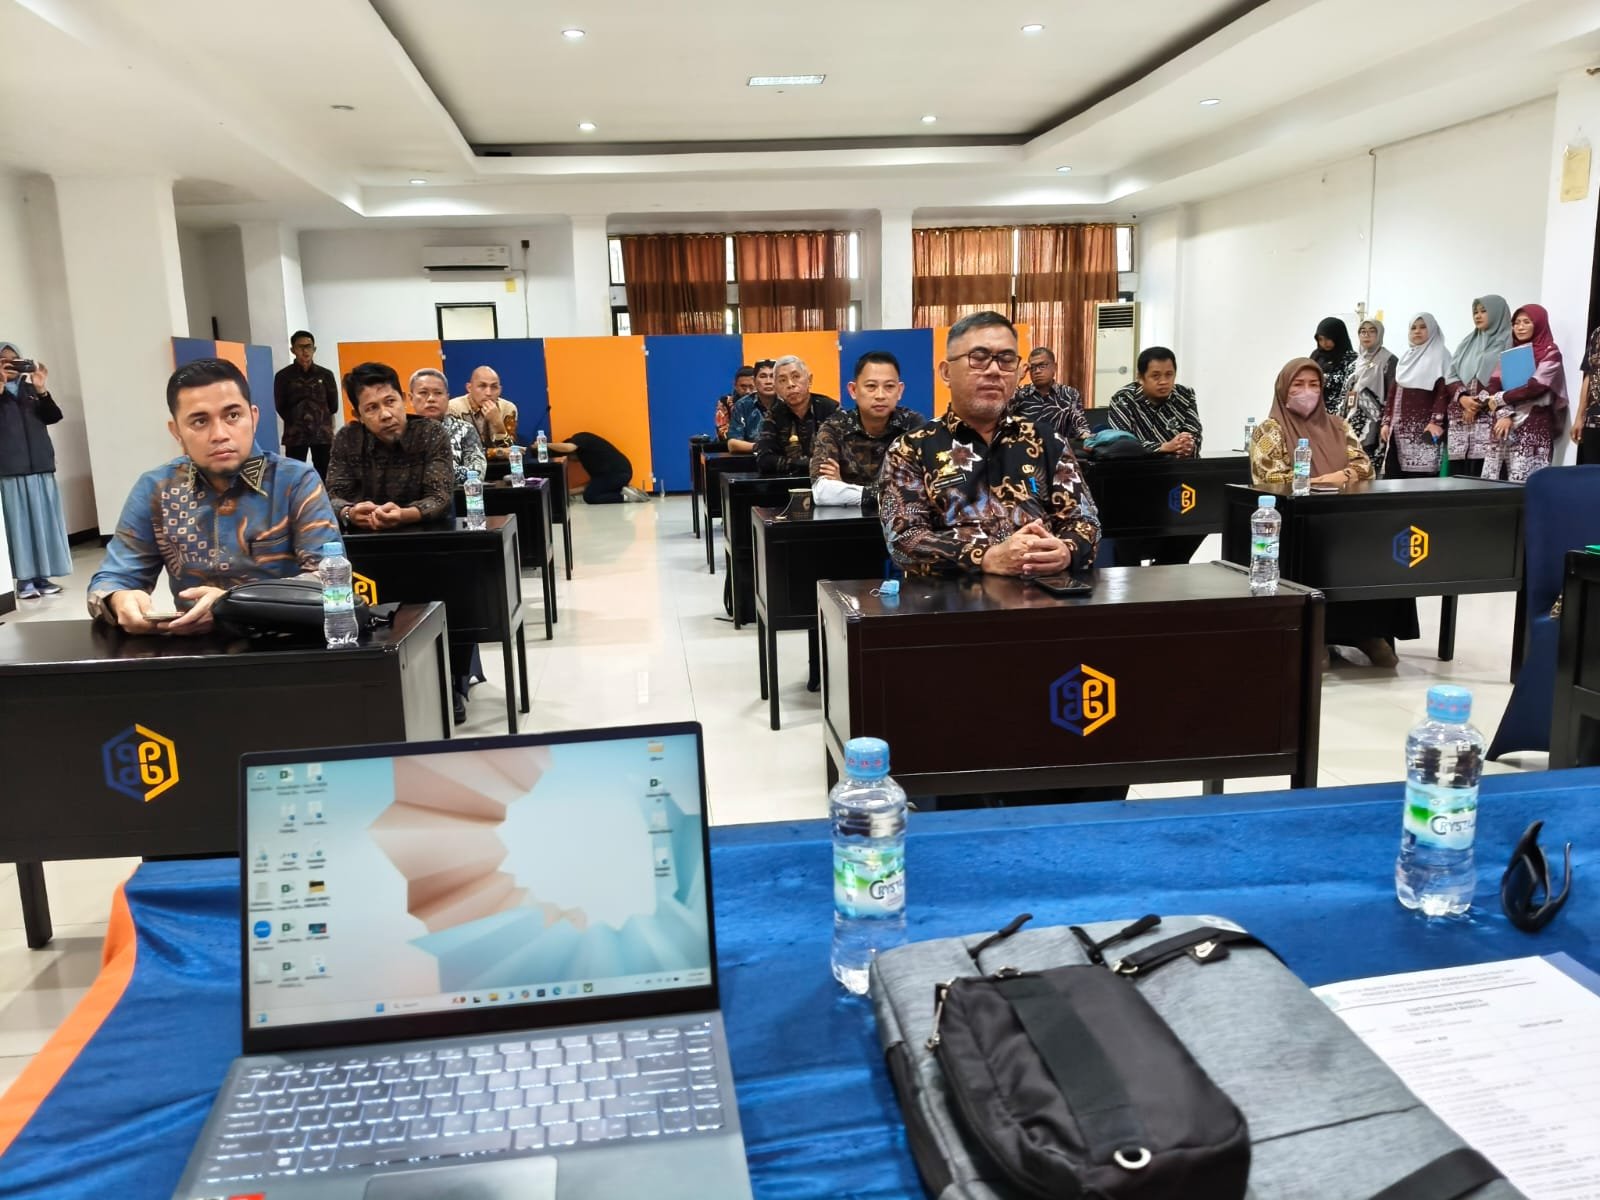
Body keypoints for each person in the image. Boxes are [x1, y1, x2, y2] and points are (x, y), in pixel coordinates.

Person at [86, 357, 338, 635]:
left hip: (283, 643)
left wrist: (235, 604)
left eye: (233, 416)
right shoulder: (157, 488)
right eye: (200, 421)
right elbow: (112, 579)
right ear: (176, 431)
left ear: (253, 417)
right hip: (194, 647)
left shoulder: (294, 481)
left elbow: (331, 581)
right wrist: (118, 598)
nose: (219, 434)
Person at [880, 311, 1100, 577]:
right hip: (948, 597)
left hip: (1041, 591)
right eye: (979, 358)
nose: (994, 370)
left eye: (1006, 360)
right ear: (946, 372)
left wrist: (1065, 550)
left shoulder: (1047, 441)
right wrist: (985, 558)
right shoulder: (910, 449)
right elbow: (904, 539)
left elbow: (1085, 521)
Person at [1250, 358, 1412, 669]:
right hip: (1297, 524)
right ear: (1283, 389)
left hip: (1344, 519)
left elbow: (1364, 466)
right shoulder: (1269, 430)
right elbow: (1268, 477)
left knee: (1382, 547)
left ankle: (1367, 632)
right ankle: (1316, 637)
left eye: (1314, 385)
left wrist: (1342, 476)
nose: (1307, 391)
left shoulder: (1339, 425)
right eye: (1298, 385)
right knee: (1316, 553)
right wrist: (1320, 482)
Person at [329, 361, 467, 718]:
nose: (385, 414)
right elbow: (333, 495)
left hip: (429, 544)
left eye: (390, 402)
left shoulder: (430, 434)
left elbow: (440, 497)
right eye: (372, 408)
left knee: (455, 599)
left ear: (403, 398)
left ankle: (451, 681)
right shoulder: (347, 439)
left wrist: (404, 514)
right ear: (358, 414)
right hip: (370, 547)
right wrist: (350, 512)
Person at [1104, 346, 1207, 565]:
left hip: (1174, 480)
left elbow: (1194, 433)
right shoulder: (1123, 399)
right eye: (1156, 376)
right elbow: (1121, 442)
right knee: (1128, 535)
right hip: (1134, 483)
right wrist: (1163, 447)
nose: (1163, 382)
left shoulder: (1185, 395)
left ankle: (1167, 566)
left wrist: (1187, 445)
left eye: (1169, 375)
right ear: (1140, 377)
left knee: (1203, 518)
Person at [0, 343, 72, 599]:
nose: (11, 364)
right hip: (10, 471)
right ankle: (24, 580)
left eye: (15, 359)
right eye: (4, 360)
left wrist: (41, 389)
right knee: (19, 528)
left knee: (44, 525)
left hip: (41, 467)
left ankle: (42, 576)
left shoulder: (31, 390)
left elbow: (53, 416)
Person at [811, 351, 924, 507]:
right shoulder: (835, 427)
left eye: (889, 386)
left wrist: (844, 488)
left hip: (905, 519)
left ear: (899, 391)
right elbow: (822, 492)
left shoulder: (913, 426)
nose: (880, 395)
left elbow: (924, 486)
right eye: (871, 386)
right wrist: (883, 495)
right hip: (851, 520)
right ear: (853, 390)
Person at [1483, 303, 1568, 484]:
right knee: (1495, 481)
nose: (1520, 327)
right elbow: (1493, 384)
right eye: (1516, 323)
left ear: (1539, 323)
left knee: (1527, 482)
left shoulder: (1550, 353)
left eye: (1526, 322)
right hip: (1503, 423)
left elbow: (1536, 386)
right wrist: (1505, 414)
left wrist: (1501, 398)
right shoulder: (1509, 354)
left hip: (1534, 422)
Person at [1447, 295, 1512, 476]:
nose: (1478, 315)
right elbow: (1450, 375)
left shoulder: (1509, 341)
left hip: (1490, 416)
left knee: (1483, 476)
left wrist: (1476, 404)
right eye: (1475, 312)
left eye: (1484, 311)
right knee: (1458, 478)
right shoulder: (1467, 343)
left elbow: (1505, 378)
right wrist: (1463, 398)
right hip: (1462, 419)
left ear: (1497, 313)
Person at [1380, 314, 1450, 478]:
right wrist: (1386, 422)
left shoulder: (1441, 356)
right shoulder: (1406, 358)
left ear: (1432, 329)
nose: (1417, 331)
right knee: (1395, 478)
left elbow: (1444, 392)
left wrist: (1436, 421)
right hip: (1398, 429)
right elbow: (1393, 393)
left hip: (1426, 428)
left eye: (1423, 327)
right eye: (1413, 328)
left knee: (1421, 480)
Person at [754, 356, 839, 476]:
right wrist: (810, 465)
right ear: (776, 388)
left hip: (828, 481)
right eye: (782, 380)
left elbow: (846, 454)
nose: (790, 384)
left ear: (809, 380)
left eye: (796, 377)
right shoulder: (773, 416)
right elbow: (764, 460)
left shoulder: (830, 409)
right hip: (788, 483)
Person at [273, 330, 339, 479]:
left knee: (325, 472)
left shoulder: (326, 375)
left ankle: (325, 495)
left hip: (322, 433)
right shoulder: (283, 376)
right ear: (293, 350)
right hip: (295, 434)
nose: (305, 351)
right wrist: (296, 420)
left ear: (314, 349)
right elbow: (280, 405)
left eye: (308, 347)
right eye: (300, 347)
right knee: (294, 474)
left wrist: (321, 420)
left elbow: (333, 405)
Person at [408, 368, 485, 485]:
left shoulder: (465, 429)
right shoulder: (401, 432)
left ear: (448, 398)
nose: (431, 399)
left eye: (438, 393)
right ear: (411, 398)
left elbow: (476, 473)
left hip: (455, 495)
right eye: (423, 393)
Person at [1009, 347, 1089, 441]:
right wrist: (1017, 378)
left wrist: (1088, 436)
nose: (1037, 371)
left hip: (1059, 447)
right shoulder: (1020, 393)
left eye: (1042, 366)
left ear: (1054, 367)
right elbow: (1001, 416)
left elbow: (1080, 426)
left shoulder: (1069, 394)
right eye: (1033, 367)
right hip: (1026, 447)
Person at [546, 433, 646, 504]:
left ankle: (625, 496)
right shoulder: (590, 459)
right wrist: (568, 493)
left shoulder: (581, 438)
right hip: (619, 473)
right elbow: (591, 485)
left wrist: (544, 444)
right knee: (592, 491)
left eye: (569, 457)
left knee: (590, 497)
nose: (572, 461)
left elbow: (568, 448)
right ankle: (624, 490)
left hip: (618, 472)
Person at [1344, 319, 1395, 456]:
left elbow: (1392, 394)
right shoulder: (1356, 361)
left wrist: (1386, 421)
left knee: (1369, 459)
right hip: (1353, 418)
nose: (1366, 335)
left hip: (1375, 421)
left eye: (1372, 331)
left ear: (1379, 334)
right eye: (1363, 331)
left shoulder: (1389, 360)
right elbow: (1347, 392)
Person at [448, 366, 519, 458]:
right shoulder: (453, 408)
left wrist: (498, 424)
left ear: (500, 390)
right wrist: (497, 453)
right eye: (482, 386)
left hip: (502, 465)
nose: (488, 393)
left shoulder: (508, 408)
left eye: (494, 387)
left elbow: (510, 452)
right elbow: (459, 452)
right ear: (469, 388)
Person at [726, 360, 777, 452]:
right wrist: (760, 447)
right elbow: (732, 444)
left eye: (772, 376)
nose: (768, 381)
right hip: (753, 457)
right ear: (754, 381)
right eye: (763, 376)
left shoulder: (788, 402)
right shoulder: (743, 405)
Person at [1311, 317, 1357, 415]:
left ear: (1338, 337)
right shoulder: (1316, 355)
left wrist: (1325, 379)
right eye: (1320, 339)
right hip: (1314, 410)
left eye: (1328, 338)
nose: (1324, 343)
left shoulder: (1351, 358)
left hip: (1337, 413)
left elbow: (1349, 385)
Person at [1576, 321, 1600, 465]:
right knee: (1591, 473)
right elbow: (1589, 375)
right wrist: (1579, 417)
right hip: (1593, 422)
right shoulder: (1597, 333)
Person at [714, 366, 756, 440]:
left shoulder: (764, 403)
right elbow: (722, 432)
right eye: (743, 387)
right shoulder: (724, 402)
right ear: (735, 385)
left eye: (751, 387)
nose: (747, 391)